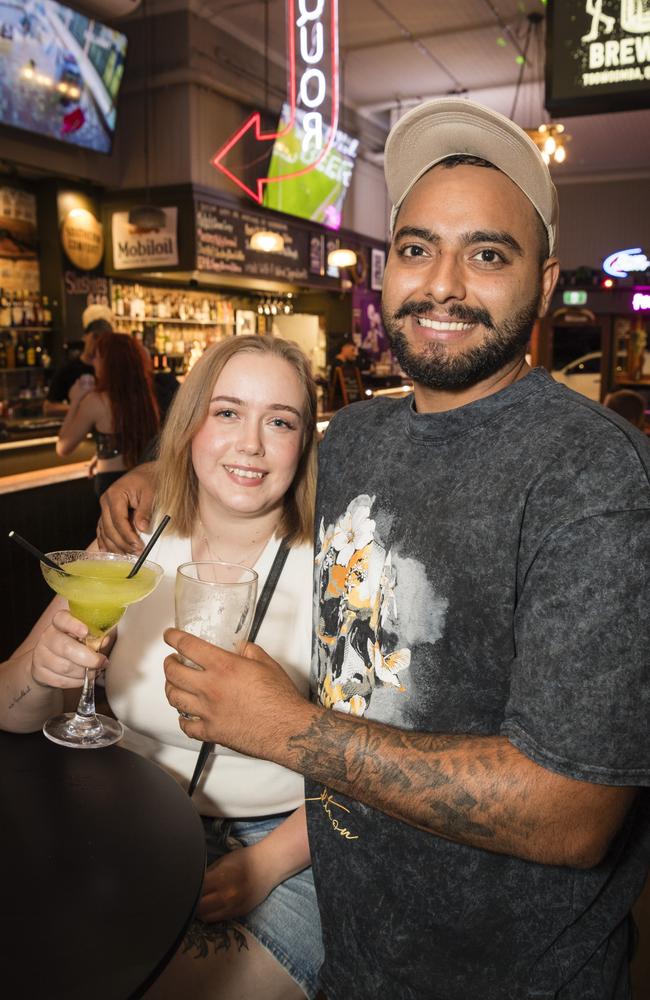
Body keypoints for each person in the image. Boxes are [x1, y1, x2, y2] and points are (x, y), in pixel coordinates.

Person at [100, 99, 650, 1000]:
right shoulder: (355, 436)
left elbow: (571, 811)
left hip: (503, 978)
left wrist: (289, 730)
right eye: (416, 247)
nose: (443, 284)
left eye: (488, 253)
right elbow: (244, 467)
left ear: (546, 284)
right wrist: (145, 487)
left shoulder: (594, 476)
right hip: (349, 937)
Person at [5, 335, 323, 1000]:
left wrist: (262, 866)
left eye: (281, 421)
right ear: (191, 424)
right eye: (228, 412)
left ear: (304, 442)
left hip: (289, 848)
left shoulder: (340, 571)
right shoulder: (132, 543)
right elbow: (10, 705)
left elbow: (367, 770)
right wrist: (48, 667)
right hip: (128, 823)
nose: (252, 445)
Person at [56, 331, 160, 497]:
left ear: (108, 363)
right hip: (145, 482)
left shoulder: (96, 400)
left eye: (96, 357)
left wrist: (75, 400)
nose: (93, 362)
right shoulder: (145, 397)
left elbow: (63, 447)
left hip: (111, 484)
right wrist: (101, 454)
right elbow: (131, 438)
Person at [43, 304, 113, 417]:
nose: (99, 342)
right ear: (84, 337)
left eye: (104, 338)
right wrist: (79, 408)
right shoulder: (68, 369)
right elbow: (48, 407)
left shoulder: (113, 369)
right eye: (95, 337)